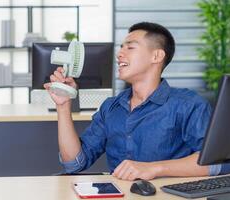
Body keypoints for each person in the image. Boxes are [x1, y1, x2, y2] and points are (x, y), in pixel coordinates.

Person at [43, 22, 225, 181]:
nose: (119, 54)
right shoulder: (111, 107)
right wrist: (63, 106)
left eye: (130, 47)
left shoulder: (188, 105)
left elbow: (217, 164)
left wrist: (155, 168)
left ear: (156, 56)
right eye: (121, 47)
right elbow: (74, 164)